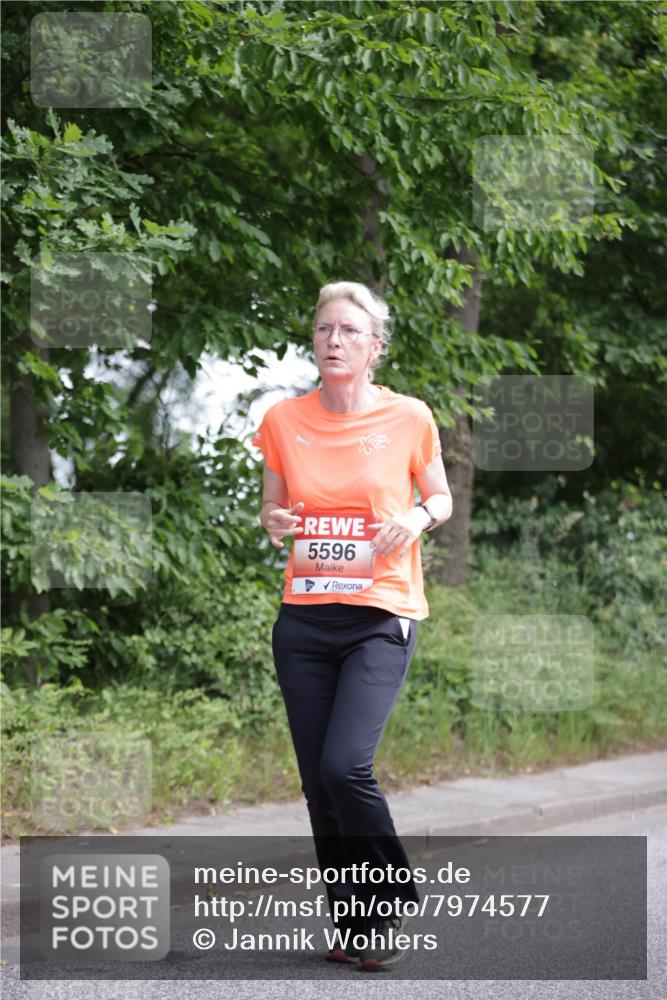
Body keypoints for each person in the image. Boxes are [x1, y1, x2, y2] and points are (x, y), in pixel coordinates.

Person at [252, 281, 452, 971]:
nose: (332, 341)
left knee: (346, 766)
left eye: (347, 332)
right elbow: (274, 509)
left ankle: (390, 890)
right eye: (322, 330)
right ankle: (355, 926)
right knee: (317, 783)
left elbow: (440, 496)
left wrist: (415, 519)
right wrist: (274, 521)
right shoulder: (282, 418)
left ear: (374, 348)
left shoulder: (408, 416)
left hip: (380, 614)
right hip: (304, 621)